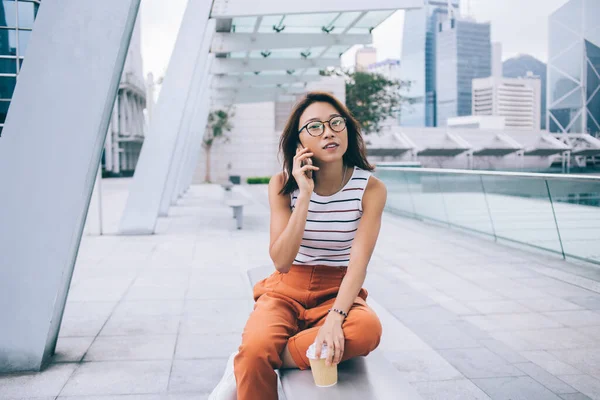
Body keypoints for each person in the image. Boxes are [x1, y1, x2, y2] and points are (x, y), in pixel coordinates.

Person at [209, 91, 386, 400]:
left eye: (335, 122)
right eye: (315, 127)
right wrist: (303, 195)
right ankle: (251, 360)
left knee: (365, 330)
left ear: (348, 129)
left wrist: (335, 318)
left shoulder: (370, 189)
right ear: (299, 141)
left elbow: (358, 265)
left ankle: (250, 364)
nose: (328, 131)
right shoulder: (281, 185)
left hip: (338, 289)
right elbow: (281, 261)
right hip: (285, 289)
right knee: (256, 348)